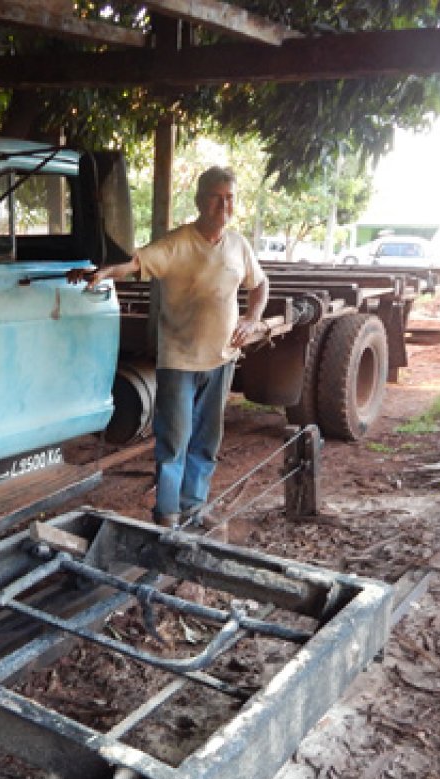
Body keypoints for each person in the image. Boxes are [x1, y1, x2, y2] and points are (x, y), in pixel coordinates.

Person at [71, 166, 269, 528]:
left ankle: (194, 507)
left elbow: (260, 285)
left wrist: (252, 319)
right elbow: (136, 262)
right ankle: (167, 513)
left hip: (221, 359)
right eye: (216, 197)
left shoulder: (238, 244)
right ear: (199, 200)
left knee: (207, 440)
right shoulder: (177, 243)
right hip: (179, 361)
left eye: (230, 198)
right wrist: (102, 272)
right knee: (174, 440)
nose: (223, 205)